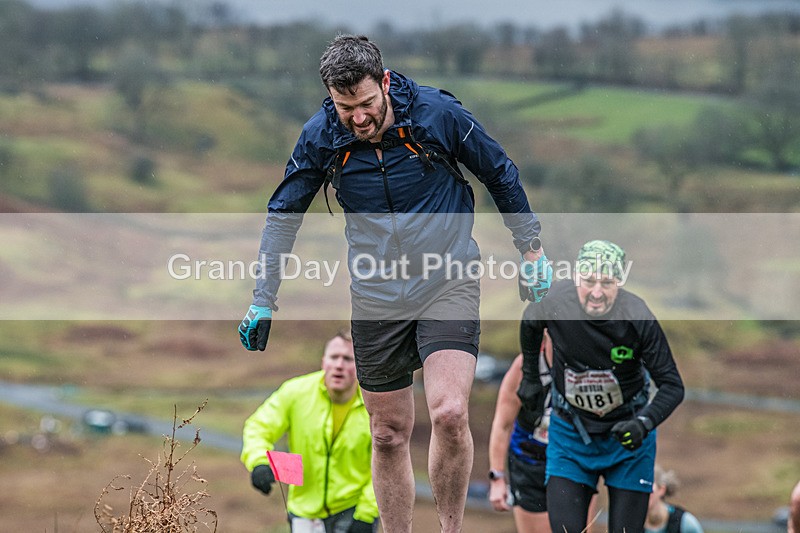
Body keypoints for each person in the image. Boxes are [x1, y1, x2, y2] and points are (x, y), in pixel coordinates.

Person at [238, 34, 549, 532]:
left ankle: (449, 529)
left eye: (365, 104)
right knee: (386, 433)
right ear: (330, 98)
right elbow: (283, 215)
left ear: (384, 82)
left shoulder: (436, 115)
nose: (358, 118)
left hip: (448, 279)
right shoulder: (320, 136)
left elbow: (500, 172)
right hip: (376, 292)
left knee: (448, 413)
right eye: (345, 108)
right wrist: (262, 299)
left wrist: (530, 248)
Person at [518, 240, 685, 533]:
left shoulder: (637, 316)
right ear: (575, 278)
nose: (596, 292)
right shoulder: (554, 301)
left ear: (619, 282)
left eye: (606, 283)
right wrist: (530, 375)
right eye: (589, 281)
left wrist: (643, 423)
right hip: (570, 434)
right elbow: (530, 323)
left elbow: (673, 385)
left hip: (628, 439)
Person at [240, 331, 379, 533]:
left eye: (348, 359)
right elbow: (258, 427)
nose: (339, 365)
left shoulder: (374, 405)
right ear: (324, 362)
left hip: (353, 510)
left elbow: (386, 461)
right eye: (334, 357)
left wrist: (367, 514)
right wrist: (260, 462)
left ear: (360, 365)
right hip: (304, 511)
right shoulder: (295, 392)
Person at [489, 331, 598, 532]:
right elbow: (502, 425)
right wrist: (497, 478)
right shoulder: (524, 367)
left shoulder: (587, 364)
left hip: (573, 461)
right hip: (530, 463)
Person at [645, 465, 703, 533]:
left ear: (661, 489)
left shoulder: (684, 523)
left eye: (646, 484)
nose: (642, 492)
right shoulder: (632, 522)